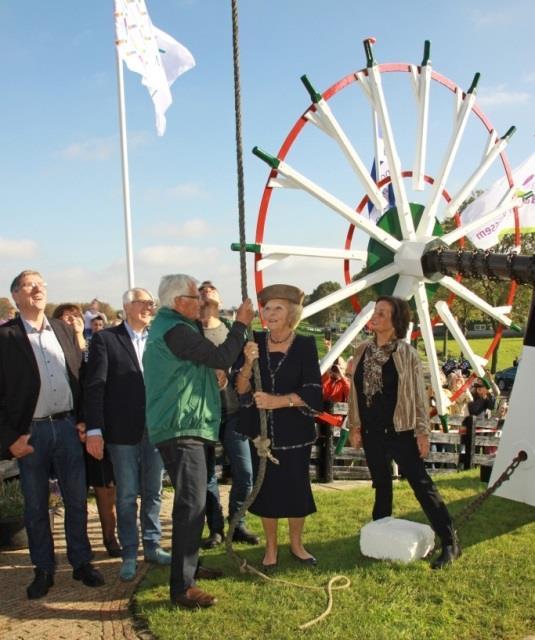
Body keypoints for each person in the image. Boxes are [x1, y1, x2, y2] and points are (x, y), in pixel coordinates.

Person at [143, 274, 254, 609]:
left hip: (191, 425)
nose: (203, 302)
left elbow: (201, 366)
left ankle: (189, 567)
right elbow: (221, 356)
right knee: (191, 506)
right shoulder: (175, 328)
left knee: (195, 503)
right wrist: (241, 325)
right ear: (179, 302)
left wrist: (212, 374)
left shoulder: (175, 328)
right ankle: (182, 588)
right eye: (196, 297)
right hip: (182, 427)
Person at [0, 270, 104, 599]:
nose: (38, 290)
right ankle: (43, 569)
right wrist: (9, 438)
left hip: (67, 428)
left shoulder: (61, 328)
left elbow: (81, 377)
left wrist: (84, 420)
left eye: (42, 285)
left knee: (76, 501)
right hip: (30, 434)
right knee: (35, 508)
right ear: (16, 296)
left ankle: (81, 562)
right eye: (30, 286)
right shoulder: (6, 337)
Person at [348, 296, 461, 569]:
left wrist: (422, 432)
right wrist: (354, 425)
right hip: (373, 431)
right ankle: (379, 536)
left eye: (383, 314)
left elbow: (419, 397)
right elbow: (355, 393)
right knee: (381, 484)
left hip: (401, 431)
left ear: (395, 322)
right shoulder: (362, 350)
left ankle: (450, 542)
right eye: (375, 312)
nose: (375, 317)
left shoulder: (406, 353)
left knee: (421, 485)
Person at [84, 287, 170, 581]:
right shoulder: (105, 340)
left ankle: (153, 546)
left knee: (153, 492)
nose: (149, 306)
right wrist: (94, 429)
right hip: (122, 432)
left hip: (157, 429)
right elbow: (95, 386)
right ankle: (130, 552)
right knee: (126, 495)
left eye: (151, 303)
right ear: (127, 307)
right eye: (143, 302)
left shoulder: (160, 339)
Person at [236, 284, 323, 573]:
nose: (270, 313)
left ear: (292, 314)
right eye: (267, 308)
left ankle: (296, 545)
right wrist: (248, 363)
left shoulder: (305, 345)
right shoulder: (254, 341)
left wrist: (278, 401)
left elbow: (313, 391)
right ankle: (271, 548)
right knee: (267, 492)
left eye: (278, 308)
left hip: (295, 433)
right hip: (262, 435)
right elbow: (240, 388)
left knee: (297, 490)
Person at [54, 303, 120, 558]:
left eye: (76, 316)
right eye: (65, 317)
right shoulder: (55, 354)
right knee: (75, 494)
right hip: (67, 429)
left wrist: (91, 423)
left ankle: (109, 538)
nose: (72, 320)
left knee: (106, 488)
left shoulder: (97, 347)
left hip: (95, 429)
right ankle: (79, 546)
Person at [198, 280, 259, 548]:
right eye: (203, 290)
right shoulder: (189, 333)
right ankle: (215, 528)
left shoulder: (231, 331)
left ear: (221, 301)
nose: (208, 292)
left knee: (245, 472)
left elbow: (247, 363)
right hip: (203, 413)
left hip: (233, 411)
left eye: (213, 289)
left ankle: (238, 523)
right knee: (207, 475)